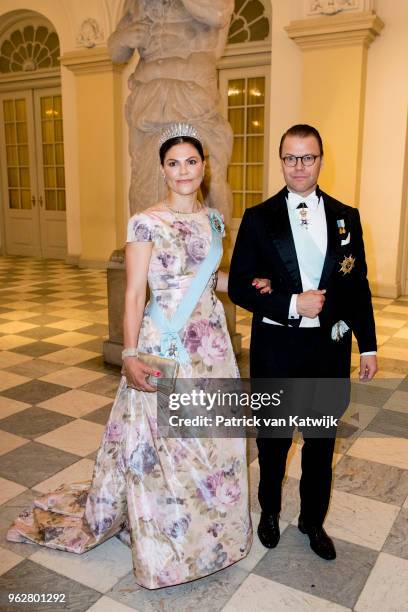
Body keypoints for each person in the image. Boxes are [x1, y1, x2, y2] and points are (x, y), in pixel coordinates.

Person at [7, 124, 270, 589]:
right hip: (164, 344)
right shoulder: (145, 222)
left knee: (214, 440)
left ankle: (212, 533)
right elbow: (133, 294)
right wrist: (130, 353)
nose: (184, 170)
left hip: (210, 345)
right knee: (166, 446)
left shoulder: (213, 221)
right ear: (163, 170)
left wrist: (254, 286)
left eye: (192, 161)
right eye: (174, 163)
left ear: (204, 166)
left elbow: (208, 282)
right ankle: (168, 548)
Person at [228, 124, 377, 561]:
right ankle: (269, 512)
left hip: (329, 351)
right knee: (274, 440)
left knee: (320, 442)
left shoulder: (346, 216)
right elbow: (239, 285)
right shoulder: (258, 218)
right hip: (277, 350)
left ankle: (313, 521)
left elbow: (358, 286)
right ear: (281, 161)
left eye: (307, 157)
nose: (299, 166)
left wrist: (367, 345)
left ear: (321, 160)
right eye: (290, 157)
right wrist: (292, 302)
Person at [108, 0, 235, 222]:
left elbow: (219, 13)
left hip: (191, 92)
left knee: (207, 177)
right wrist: (124, 37)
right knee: (144, 177)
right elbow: (116, 53)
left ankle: (214, 240)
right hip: (147, 99)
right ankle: (146, 242)